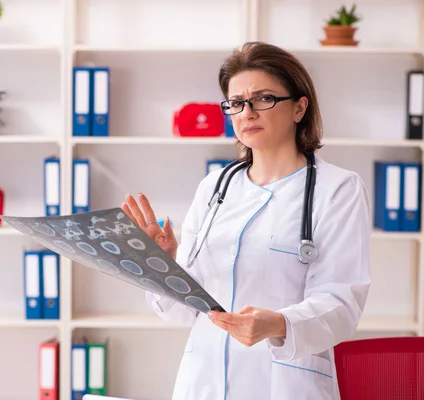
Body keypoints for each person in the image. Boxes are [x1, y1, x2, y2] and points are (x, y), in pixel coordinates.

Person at [121, 41, 371, 400]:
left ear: (299, 107)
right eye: (236, 103)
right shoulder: (214, 188)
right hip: (203, 382)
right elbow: (185, 313)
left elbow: (341, 302)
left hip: (283, 384)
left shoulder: (338, 189)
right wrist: (161, 265)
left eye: (263, 98)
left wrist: (279, 324)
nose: (247, 112)